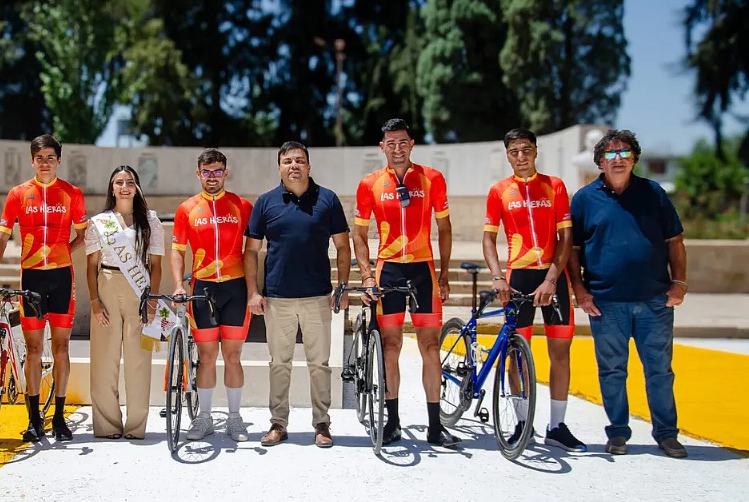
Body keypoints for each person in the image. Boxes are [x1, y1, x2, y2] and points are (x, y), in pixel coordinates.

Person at [567, 129, 689, 459]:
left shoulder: (653, 193)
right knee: (612, 372)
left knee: (660, 372)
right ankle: (618, 432)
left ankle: (667, 434)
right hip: (605, 303)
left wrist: (679, 283)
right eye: (610, 154)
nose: (617, 159)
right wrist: (580, 290)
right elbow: (572, 250)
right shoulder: (584, 199)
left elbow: (675, 241)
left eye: (624, 152)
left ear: (634, 158)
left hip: (655, 300)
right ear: (600, 162)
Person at [352, 118, 459, 447]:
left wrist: (443, 273)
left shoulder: (432, 178)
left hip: (423, 270)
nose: (397, 148)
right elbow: (359, 233)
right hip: (388, 271)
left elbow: (444, 228)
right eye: (391, 143)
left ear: (412, 144)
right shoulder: (369, 183)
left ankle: (435, 427)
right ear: (382, 147)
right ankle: (393, 422)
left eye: (403, 142)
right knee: (391, 347)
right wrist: (367, 275)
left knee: (431, 347)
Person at [482, 128, 587, 452]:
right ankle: (521, 423)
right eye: (514, 151)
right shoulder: (499, 191)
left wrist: (551, 280)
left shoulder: (555, 186)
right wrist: (498, 277)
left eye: (526, 149)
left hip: (553, 278)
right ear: (507, 155)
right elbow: (489, 239)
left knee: (561, 353)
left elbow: (566, 238)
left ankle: (557, 426)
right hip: (518, 278)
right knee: (516, 354)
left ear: (536, 151)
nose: (521, 156)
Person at [0, 134, 88, 443]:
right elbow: (2, 237)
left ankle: (59, 417)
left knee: (62, 348)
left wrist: (63, 251)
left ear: (59, 161)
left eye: (50, 158)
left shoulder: (71, 193)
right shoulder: (18, 194)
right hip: (32, 279)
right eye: (39, 158)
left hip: (62, 278)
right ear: (32, 161)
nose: (45, 163)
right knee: (34, 349)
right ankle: (33, 419)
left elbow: (84, 234)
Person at [245, 141, 350, 449]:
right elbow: (251, 251)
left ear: (308, 165)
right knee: (279, 363)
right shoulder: (266, 202)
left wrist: (342, 286)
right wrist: (253, 292)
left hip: (318, 297)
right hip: (278, 298)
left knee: (320, 364)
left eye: (300, 160)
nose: (294, 165)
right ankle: (278, 423)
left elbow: (343, 246)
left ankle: (322, 424)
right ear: (279, 167)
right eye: (288, 161)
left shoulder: (328, 199)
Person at [171, 149, 253, 442]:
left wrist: (255, 290)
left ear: (225, 173)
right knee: (207, 357)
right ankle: (204, 418)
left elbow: (253, 250)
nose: (212, 177)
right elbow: (177, 251)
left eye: (218, 171)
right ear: (198, 174)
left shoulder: (242, 206)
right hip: (202, 289)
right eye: (206, 172)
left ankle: (234, 419)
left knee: (233, 356)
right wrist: (178, 285)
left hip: (235, 288)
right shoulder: (186, 209)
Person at [86, 166, 165, 440]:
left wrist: (152, 301)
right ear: (112, 188)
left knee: (138, 360)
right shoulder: (100, 222)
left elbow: (156, 266)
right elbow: (91, 265)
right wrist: (94, 300)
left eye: (129, 182)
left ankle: (135, 426)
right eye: (118, 182)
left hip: (139, 292)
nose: (124, 187)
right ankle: (107, 425)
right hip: (107, 285)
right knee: (104, 359)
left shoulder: (150, 221)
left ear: (137, 187)